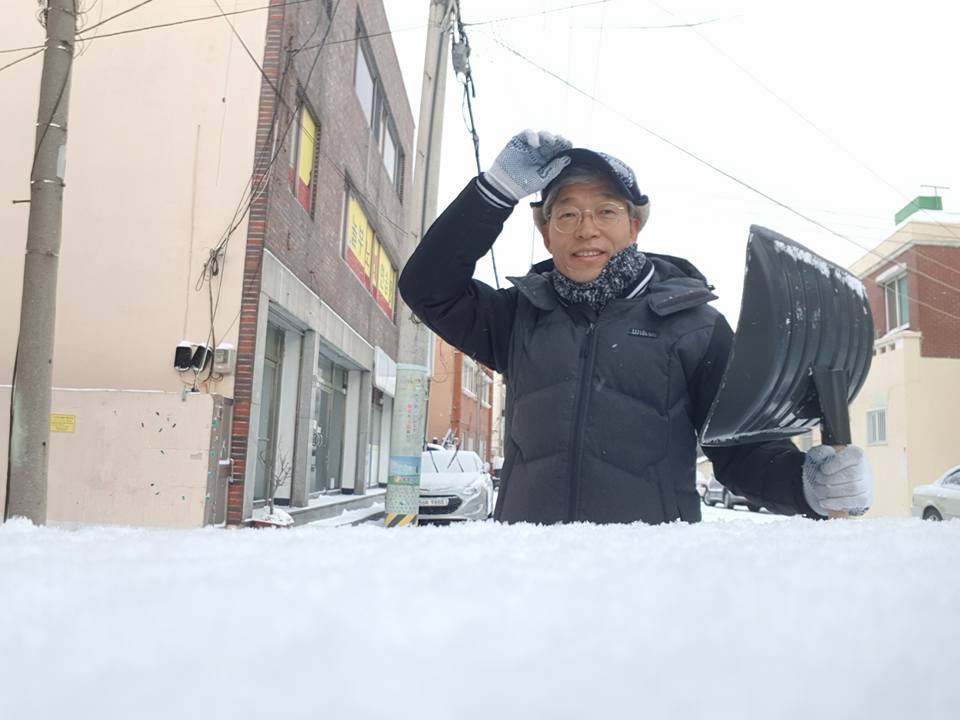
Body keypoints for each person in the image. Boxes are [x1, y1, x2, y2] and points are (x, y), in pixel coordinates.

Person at [398, 130, 873, 524]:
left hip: (648, 582)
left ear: (634, 226)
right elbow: (427, 287)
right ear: (545, 233)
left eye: (606, 211)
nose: (587, 229)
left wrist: (805, 485)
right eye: (567, 214)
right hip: (531, 574)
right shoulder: (517, 317)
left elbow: (742, 450)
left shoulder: (696, 328)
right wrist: (494, 191)